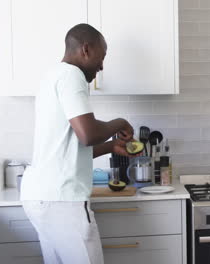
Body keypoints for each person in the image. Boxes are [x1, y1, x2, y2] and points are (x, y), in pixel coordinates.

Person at [20, 23, 137, 264]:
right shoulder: (71, 76)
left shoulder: (52, 76)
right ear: (86, 49)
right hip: (62, 201)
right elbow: (89, 134)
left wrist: (111, 147)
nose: (102, 66)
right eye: (101, 57)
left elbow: (69, 145)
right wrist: (120, 122)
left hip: (41, 197)